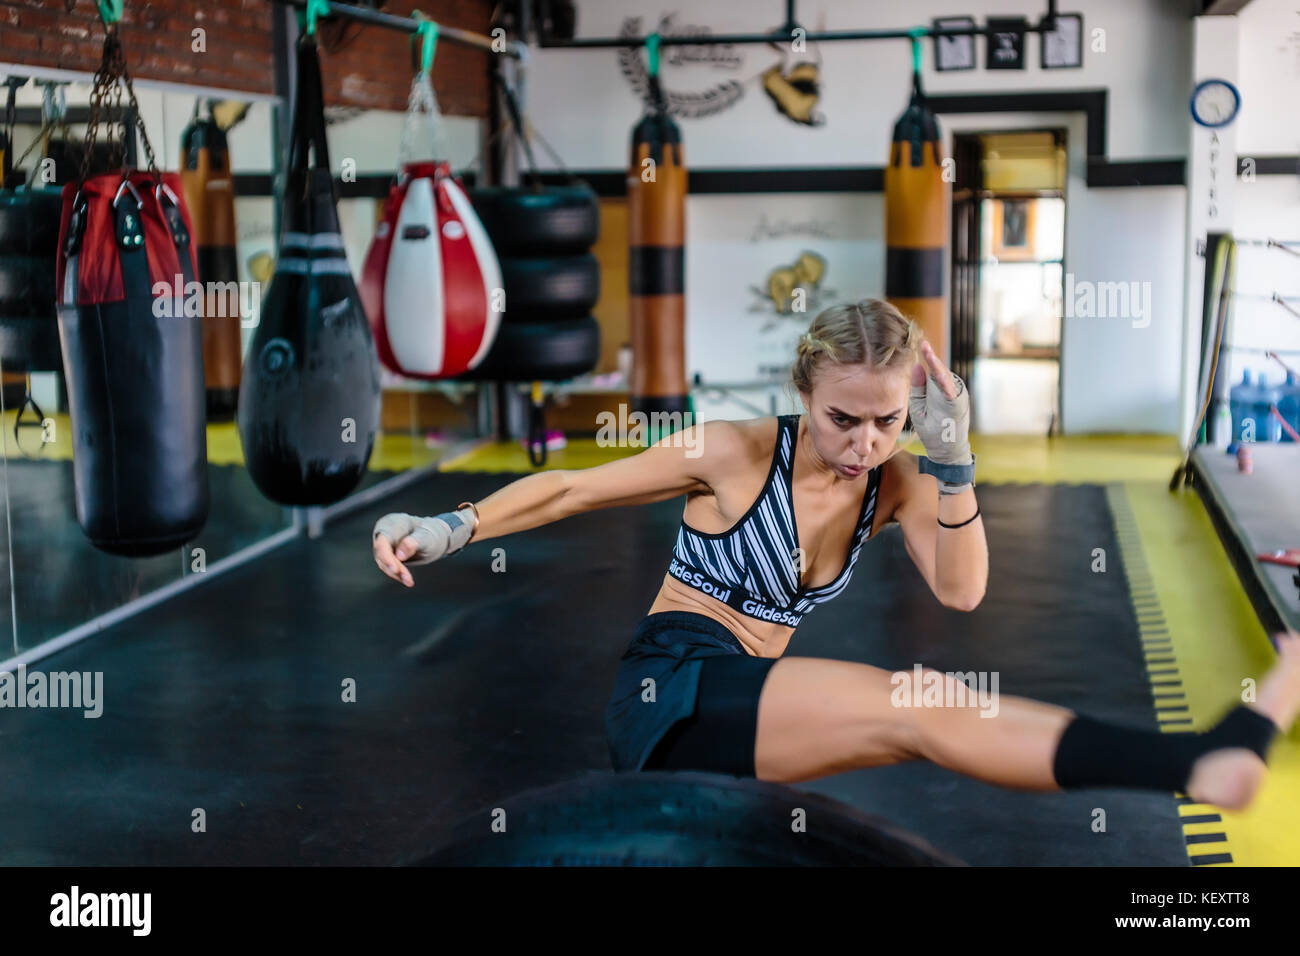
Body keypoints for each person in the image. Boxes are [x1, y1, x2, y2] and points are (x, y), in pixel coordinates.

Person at [373, 299, 1298, 811]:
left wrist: (951, 458)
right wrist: (450, 529)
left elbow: (964, 591)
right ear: (803, 396)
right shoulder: (732, 451)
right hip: (674, 690)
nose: (862, 442)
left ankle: (1231, 731)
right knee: (918, 707)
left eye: (887, 421)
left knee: (930, 712)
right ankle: (1197, 760)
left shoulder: (899, 479)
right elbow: (569, 489)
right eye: (841, 419)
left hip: (748, 712)